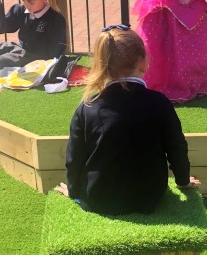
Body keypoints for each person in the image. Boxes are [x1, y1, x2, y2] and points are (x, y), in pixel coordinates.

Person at [62, 25, 199, 215]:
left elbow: (74, 157)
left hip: (99, 198)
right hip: (149, 197)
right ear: (143, 63)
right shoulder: (160, 102)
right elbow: (176, 147)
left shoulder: (87, 107)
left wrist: (72, 190)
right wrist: (183, 181)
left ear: (102, 64)